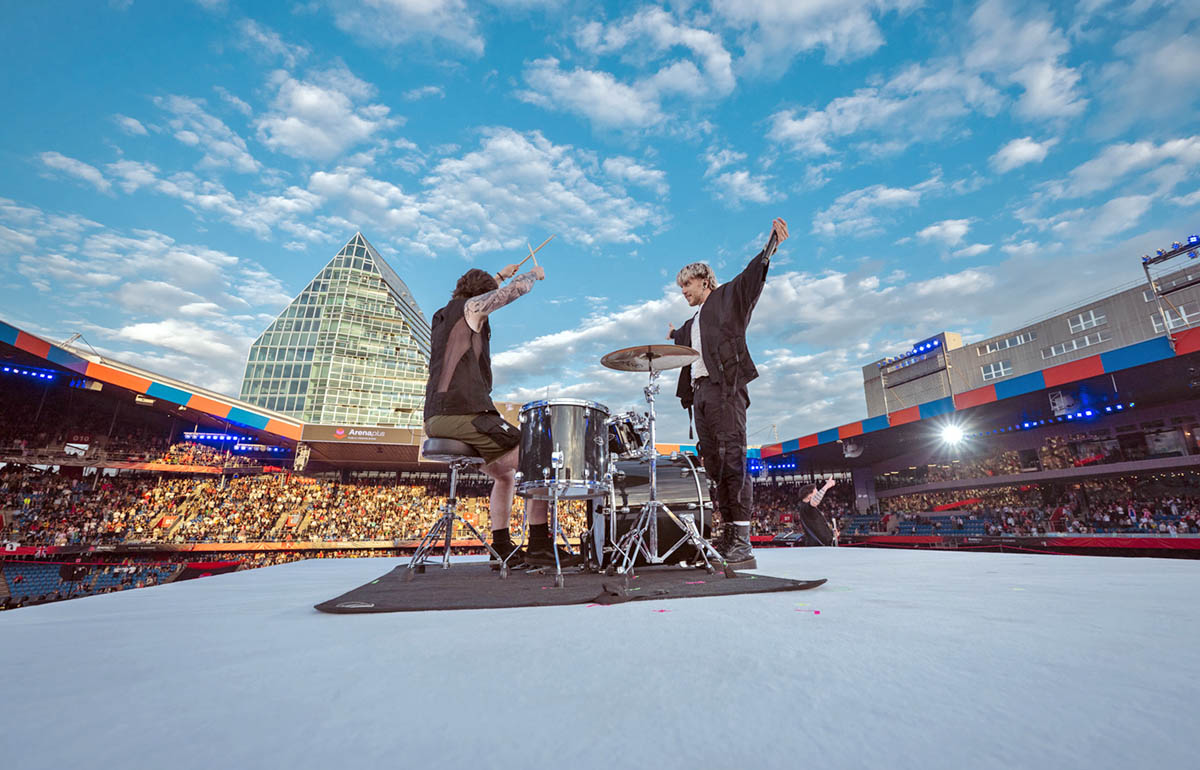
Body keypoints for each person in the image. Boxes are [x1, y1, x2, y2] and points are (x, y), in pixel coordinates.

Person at [423, 261, 577, 568]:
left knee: (504, 474)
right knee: (539, 454)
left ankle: (502, 547)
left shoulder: (442, 315)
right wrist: (533, 275)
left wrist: (499, 276)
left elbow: (479, 294)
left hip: (436, 416)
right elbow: (507, 295)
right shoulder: (471, 309)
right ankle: (539, 546)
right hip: (464, 412)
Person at [667, 217, 789, 570]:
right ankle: (728, 534)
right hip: (701, 396)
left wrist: (769, 248)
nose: (684, 292)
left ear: (704, 280)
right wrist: (675, 333)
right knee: (715, 466)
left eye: (687, 285)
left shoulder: (727, 299)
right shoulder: (694, 323)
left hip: (726, 392)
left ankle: (743, 540)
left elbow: (751, 280)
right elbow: (682, 341)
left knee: (733, 460)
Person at [796, 480, 838, 546]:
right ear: (809, 496)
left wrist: (831, 533)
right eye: (816, 493)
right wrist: (827, 486)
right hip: (817, 546)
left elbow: (818, 526)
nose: (819, 494)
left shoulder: (810, 509)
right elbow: (815, 501)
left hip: (822, 545)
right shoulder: (805, 508)